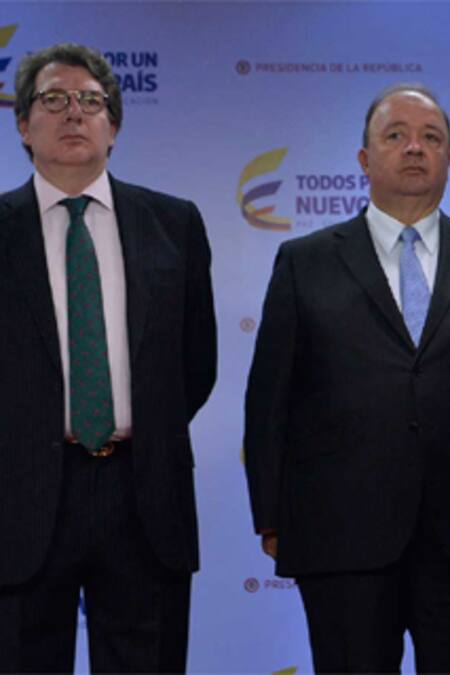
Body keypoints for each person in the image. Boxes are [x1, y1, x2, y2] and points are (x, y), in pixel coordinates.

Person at [243, 84, 450, 673]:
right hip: (342, 535)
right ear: (364, 158)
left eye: (431, 137)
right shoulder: (305, 261)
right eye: (396, 135)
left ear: (449, 157)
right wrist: (271, 515)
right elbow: (271, 397)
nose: (415, 148)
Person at [0, 42, 216, 672]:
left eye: (90, 102)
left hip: (144, 496)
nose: (74, 113)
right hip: (17, 499)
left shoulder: (174, 224)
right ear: (23, 125)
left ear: (113, 128)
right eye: (54, 100)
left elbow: (194, 366)